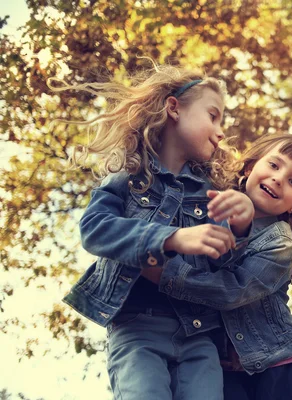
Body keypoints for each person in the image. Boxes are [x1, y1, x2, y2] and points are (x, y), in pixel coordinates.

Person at [50, 64, 254, 400]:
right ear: (174, 108)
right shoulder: (128, 178)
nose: (220, 132)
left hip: (199, 335)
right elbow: (95, 229)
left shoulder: (210, 193)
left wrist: (242, 226)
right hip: (137, 329)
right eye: (213, 116)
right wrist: (169, 238)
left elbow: (226, 266)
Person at [141, 132, 292, 400]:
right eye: (274, 165)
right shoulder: (207, 206)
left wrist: (166, 275)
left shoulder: (280, 242)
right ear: (249, 167)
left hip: (278, 366)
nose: (278, 179)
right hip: (225, 369)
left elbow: (230, 291)